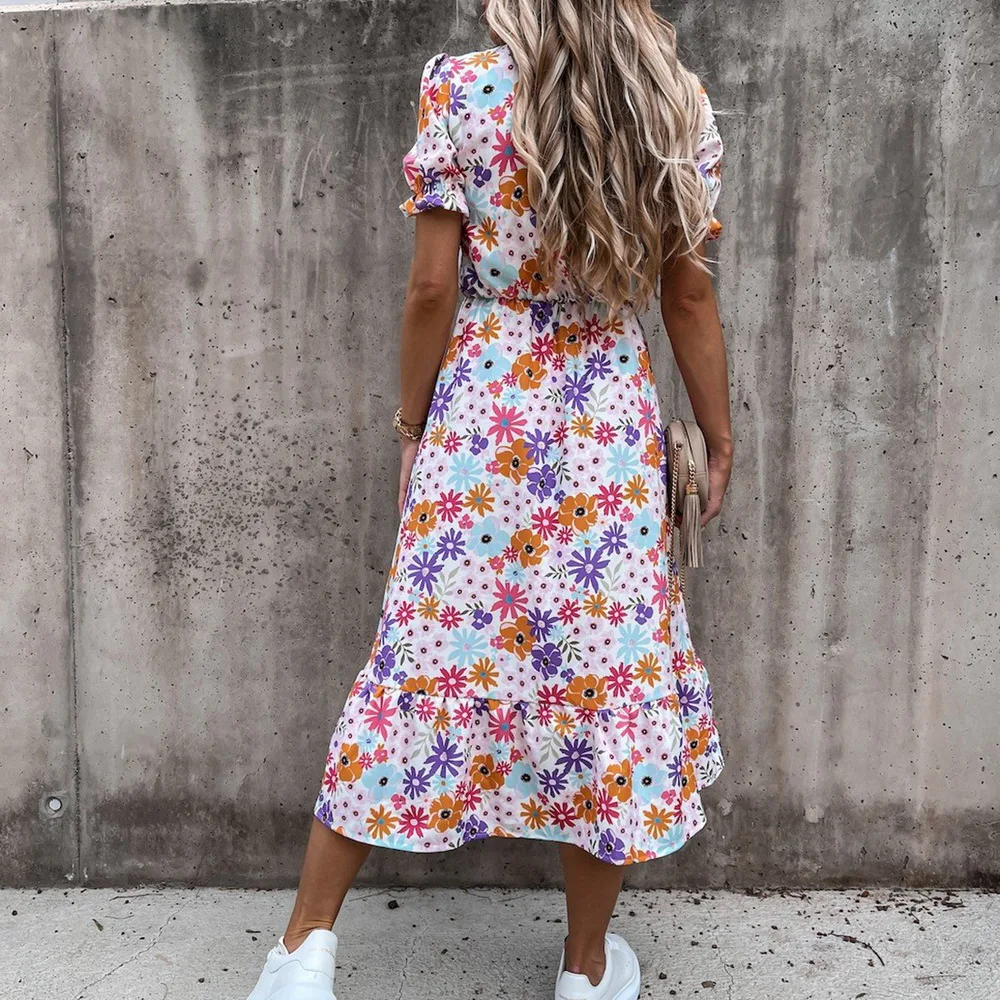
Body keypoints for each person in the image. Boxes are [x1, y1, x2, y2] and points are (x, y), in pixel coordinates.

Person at [246, 1, 732, 997]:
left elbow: (432, 288)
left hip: (479, 421)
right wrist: (719, 437)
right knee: (601, 679)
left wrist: (412, 427)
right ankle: (585, 971)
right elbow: (686, 294)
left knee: (415, 661)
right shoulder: (672, 101)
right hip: (604, 432)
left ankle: (303, 952)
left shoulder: (460, 89)